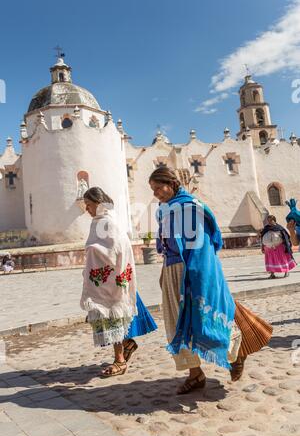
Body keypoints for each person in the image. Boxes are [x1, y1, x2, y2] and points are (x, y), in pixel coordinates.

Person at [149, 167, 273, 394]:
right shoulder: (163, 210)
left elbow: (201, 245)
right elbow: (165, 245)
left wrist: (197, 273)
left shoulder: (190, 207)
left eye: (159, 187)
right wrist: (165, 270)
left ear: (172, 183)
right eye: (153, 190)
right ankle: (195, 374)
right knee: (176, 324)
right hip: (171, 270)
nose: (156, 193)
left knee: (206, 319)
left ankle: (235, 353)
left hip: (194, 269)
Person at [80, 187, 157, 378]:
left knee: (113, 315)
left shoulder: (107, 222)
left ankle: (120, 361)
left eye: (89, 205)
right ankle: (127, 345)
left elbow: (116, 246)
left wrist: (93, 251)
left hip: (112, 279)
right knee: (114, 319)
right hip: (106, 279)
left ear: (98, 203)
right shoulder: (100, 222)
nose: (87, 210)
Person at [261, 215, 297, 279]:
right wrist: (263, 247)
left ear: (274, 220)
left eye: (270, 220)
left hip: (279, 248)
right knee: (270, 260)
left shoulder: (279, 228)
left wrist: (287, 246)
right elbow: (262, 238)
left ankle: (286, 271)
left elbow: (286, 237)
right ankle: (272, 274)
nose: (269, 222)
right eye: (268, 220)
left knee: (282, 259)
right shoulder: (266, 228)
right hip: (269, 249)